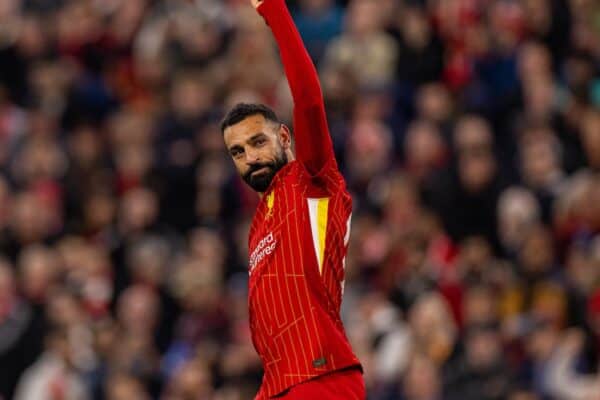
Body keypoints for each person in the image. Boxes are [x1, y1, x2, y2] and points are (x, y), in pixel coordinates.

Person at [220, 0, 364, 398]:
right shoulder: (258, 224)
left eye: (257, 142)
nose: (250, 157)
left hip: (322, 377)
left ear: (284, 137)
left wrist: (274, 10)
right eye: (238, 152)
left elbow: (309, 100)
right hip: (280, 386)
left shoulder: (312, 179)